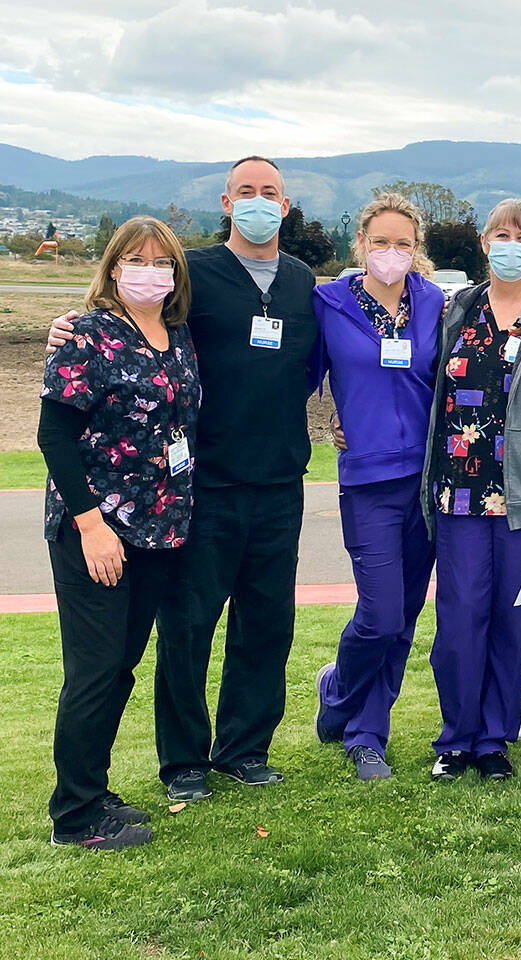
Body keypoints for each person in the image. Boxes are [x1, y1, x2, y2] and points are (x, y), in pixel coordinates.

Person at [48, 157, 318, 803]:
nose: (258, 201)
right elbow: (130, 323)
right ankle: (184, 761)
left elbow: (313, 366)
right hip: (201, 486)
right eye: (246, 191)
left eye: (270, 193)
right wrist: (70, 321)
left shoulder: (304, 281)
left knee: (267, 624)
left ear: (286, 205)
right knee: (189, 626)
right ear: (228, 201)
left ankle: (245, 749)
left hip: (280, 481)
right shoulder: (190, 273)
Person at [40, 217, 198, 848]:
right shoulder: (86, 334)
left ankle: (93, 788)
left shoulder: (177, 335)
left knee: (121, 665)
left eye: (163, 262)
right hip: (97, 530)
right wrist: (90, 525)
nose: (150, 271)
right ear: (112, 267)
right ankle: (74, 818)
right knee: (95, 667)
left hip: (157, 529)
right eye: (137, 259)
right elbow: (53, 435)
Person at [423, 198, 521, 783]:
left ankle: (493, 741)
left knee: (510, 621)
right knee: (460, 616)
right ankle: (456, 738)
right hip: (460, 495)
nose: (511, 242)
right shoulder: (455, 311)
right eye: (501, 233)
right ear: (485, 242)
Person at [310, 194, 444, 780]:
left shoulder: (436, 304)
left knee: (407, 613)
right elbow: (291, 373)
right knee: (381, 614)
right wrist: (327, 424)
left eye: (404, 244)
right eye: (381, 241)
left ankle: (368, 733)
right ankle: (337, 690)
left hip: (427, 482)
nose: (392, 252)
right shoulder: (328, 303)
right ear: (359, 243)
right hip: (367, 480)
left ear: (417, 252)